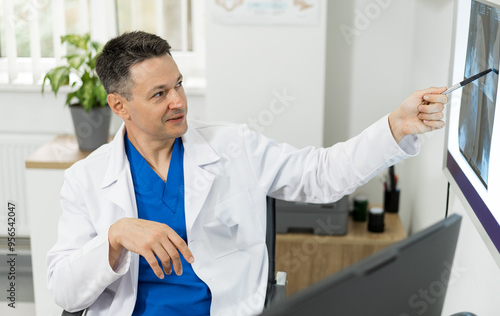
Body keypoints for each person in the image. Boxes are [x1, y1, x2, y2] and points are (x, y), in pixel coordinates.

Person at [47, 31, 448, 316]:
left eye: (179, 85)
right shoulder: (86, 179)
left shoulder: (234, 145)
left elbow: (323, 174)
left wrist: (395, 126)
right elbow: (65, 291)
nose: (179, 101)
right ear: (119, 106)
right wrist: (115, 238)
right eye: (159, 94)